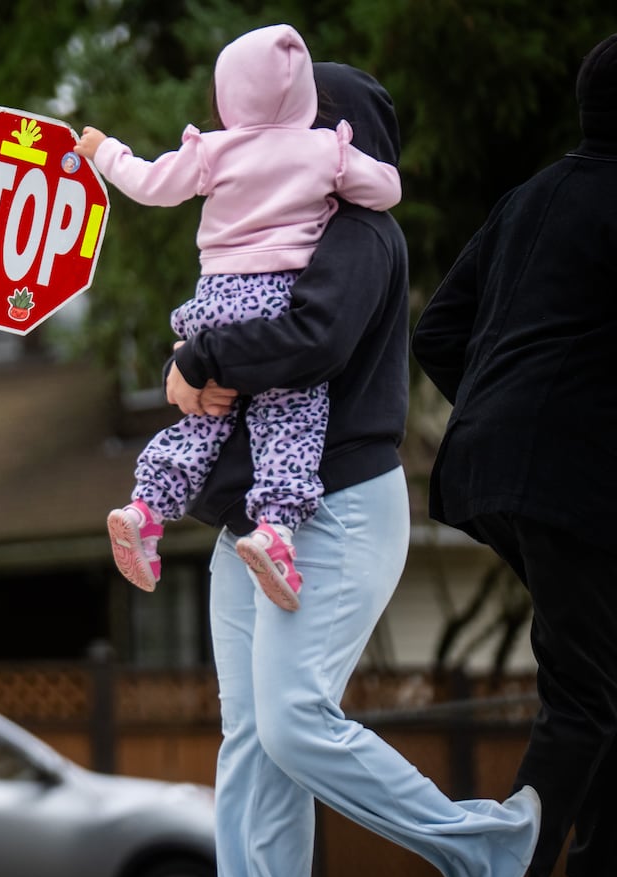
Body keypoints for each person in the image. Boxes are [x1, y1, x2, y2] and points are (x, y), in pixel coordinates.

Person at [164, 62, 540, 877]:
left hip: (336, 511)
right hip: (248, 522)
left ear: (333, 136)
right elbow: (236, 329)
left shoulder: (360, 232)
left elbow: (311, 339)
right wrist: (188, 361)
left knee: (293, 718)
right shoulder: (270, 226)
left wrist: (196, 356)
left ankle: (487, 846)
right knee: (251, 740)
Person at [411, 32, 617, 877]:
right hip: (569, 475)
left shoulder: (530, 195)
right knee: (583, 694)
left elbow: (441, 329)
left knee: (602, 678)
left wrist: (500, 408)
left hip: (494, 462)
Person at [74, 24, 400, 610]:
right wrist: (346, 159)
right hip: (276, 296)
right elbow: (385, 189)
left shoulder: (211, 148)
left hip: (214, 298)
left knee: (204, 418)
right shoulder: (325, 153)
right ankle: (276, 527)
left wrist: (105, 153)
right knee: (291, 415)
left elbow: (150, 184)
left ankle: (146, 508)